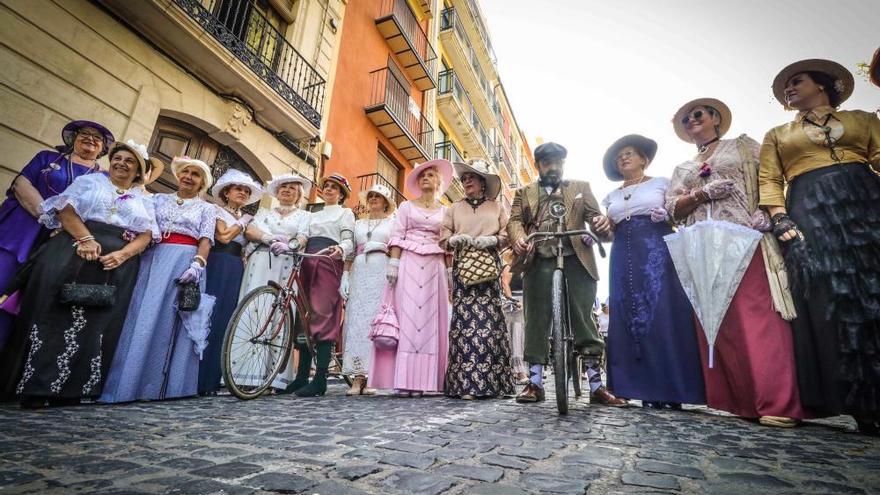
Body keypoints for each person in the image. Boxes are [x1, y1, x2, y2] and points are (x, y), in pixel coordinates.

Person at [666, 97, 803, 427]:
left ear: (715, 118)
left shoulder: (743, 147)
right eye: (685, 119)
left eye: (697, 114)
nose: (692, 121)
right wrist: (700, 194)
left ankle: (778, 402)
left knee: (758, 315)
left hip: (746, 237)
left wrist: (767, 212)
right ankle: (741, 400)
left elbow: (772, 178)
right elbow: (673, 208)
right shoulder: (682, 168)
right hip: (703, 247)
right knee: (720, 322)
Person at [759, 59, 880, 434]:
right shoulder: (778, 133)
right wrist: (780, 219)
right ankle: (844, 399)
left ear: (823, 85)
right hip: (809, 205)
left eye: (798, 81)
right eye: (785, 87)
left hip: (865, 201)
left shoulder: (864, 120)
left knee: (872, 292)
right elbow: (770, 179)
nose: (789, 89)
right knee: (827, 295)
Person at [3, 139, 159, 408]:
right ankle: (36, 389)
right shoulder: (90, 182)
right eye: (118, 158)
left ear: (138, 172)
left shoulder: (143, 199)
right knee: (54, 315)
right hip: (73, 251)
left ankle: (72, 391)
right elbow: (66, 211)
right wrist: (85, 239)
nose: (121, 163)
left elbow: (146, 234)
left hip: (115, 266)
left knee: (97, 324)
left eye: (129, 161)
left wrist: (123, 254)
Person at [507, 142, 625, 406]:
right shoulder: (524, 192)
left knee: (584, 317)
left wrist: (599, 223)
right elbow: (514, 221)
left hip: (576, 257)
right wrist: (518, 238)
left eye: (559, 162)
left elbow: (598, 221)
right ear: (538, 166)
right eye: (548, 162)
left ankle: (596, 385)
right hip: (538, 257)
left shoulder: (581, 188)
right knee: (535, 319)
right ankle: (534, 383)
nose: (554, 167)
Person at [594, 134, 705, 410]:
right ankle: (630, 386)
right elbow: (610, 232)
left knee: (662, 313)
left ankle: (669, 390)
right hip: (622, 255)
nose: (623, 157)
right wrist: (599, 230)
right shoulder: (612, 197)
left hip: (657, 250)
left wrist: (667, 215)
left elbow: (676, 212)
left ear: (644, 159)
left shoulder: (661, 184)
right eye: (619, 156)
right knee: (626, 315)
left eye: (629, 153)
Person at [100, 157, 217, 403]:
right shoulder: (157, 199)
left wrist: (198, 264)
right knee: (142, 313)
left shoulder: (208, 209)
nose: (189, 177)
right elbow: (142, 226)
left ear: (202, 183)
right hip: (152, 257)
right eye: (186, 172)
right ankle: (129, 384)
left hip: (185, 260)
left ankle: (168, 386)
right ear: (178, 175)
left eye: (196, 174)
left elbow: (206, 239)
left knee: (174, 319)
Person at [0, 120, 114, 350]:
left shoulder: (104, 178)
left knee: (31, 299)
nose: (91, 139)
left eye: (97, 137)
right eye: (85, 134)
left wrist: (69, 227)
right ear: (73, 138)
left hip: (62, 239)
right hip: (23, 228)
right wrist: (48, 215)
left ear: (103, 148)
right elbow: (21, 184)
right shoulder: (47, 158)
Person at [369, 159, 452, 396]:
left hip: (435, 265)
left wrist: (450, 274)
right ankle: (403, 381)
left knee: (430, 322)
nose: (425, 178)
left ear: (439, 182)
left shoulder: (447, 211)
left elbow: (447, 245)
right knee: (406, 319)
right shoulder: (405, 207)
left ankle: (427, 383)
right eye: (422, 176)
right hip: (408, 264)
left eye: (430, 175)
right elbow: (397, 235)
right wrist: (393, 263)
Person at [442, 159, 514, 400]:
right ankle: (465, 385)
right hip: (463, 271)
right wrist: (452, 241)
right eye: (464, 178)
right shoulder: (453, 208)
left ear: (483, 182)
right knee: (464, 326)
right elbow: (443, 237)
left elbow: (507, 235)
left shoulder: (497, 208)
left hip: (489, 271)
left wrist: (493, 240)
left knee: (490, 327)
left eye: (472, 177)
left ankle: (494, 385)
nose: (467, 181)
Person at [235, 173, 311, 392]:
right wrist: (269, 238)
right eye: (283, 187)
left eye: (292, 188)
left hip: (286, 264)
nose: (287, 190)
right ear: (277, 192)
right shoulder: (263, 211)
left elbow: (304, 236)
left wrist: (292, 245)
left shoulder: (304, 215)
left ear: (298, 195)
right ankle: (244, 374)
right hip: (260, 261)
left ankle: (273, 377)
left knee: (279, 314)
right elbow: (250, 231)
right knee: (253, 310)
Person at [198, 169, 262, 395]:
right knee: (207, 316)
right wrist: (243, 222)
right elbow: (223, 236)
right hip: (217, 261)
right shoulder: (215, 210)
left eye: (246, 191)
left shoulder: (248, 218)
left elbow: (253, 241)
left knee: (226, 319)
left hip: (236, 266)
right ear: (226, 192)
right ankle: (197, 378)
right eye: (238, 189)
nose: (243, 193)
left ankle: (213, 380)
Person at [290, 173, 355, 397]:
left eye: (334, 188)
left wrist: (341, 248)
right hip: (307, 260)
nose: (328, 190)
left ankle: (320, 380)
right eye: (326, 186)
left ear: (341, 193)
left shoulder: (345, 213)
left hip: (328, 260)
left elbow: (348, 239)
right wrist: (292, 244)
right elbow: (303, 236)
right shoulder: (311, 214)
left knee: (323, 313)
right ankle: (301, 377)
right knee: (304, 316)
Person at [339, 183, 396, 396]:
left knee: (377, 321)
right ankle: (357, 376)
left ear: (385, 202)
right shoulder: (358, 224)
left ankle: (374, 375)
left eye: (378, 196)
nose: (373, 199)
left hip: (382, 271)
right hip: (360, 272)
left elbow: (397, 247)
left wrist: (383, 248)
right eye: (371, 196)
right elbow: (351, 252)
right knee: (357, 321)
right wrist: (345, 275)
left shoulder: (393, 223)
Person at [500, 250, 528, 384]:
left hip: (524, 302)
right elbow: (505, 284)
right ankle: (519, 371)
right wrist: (514, 301)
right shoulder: (510, 265)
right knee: (516, 337)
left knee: (522, 338)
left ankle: (520, 370)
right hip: (515, 304)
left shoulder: (526, 266)